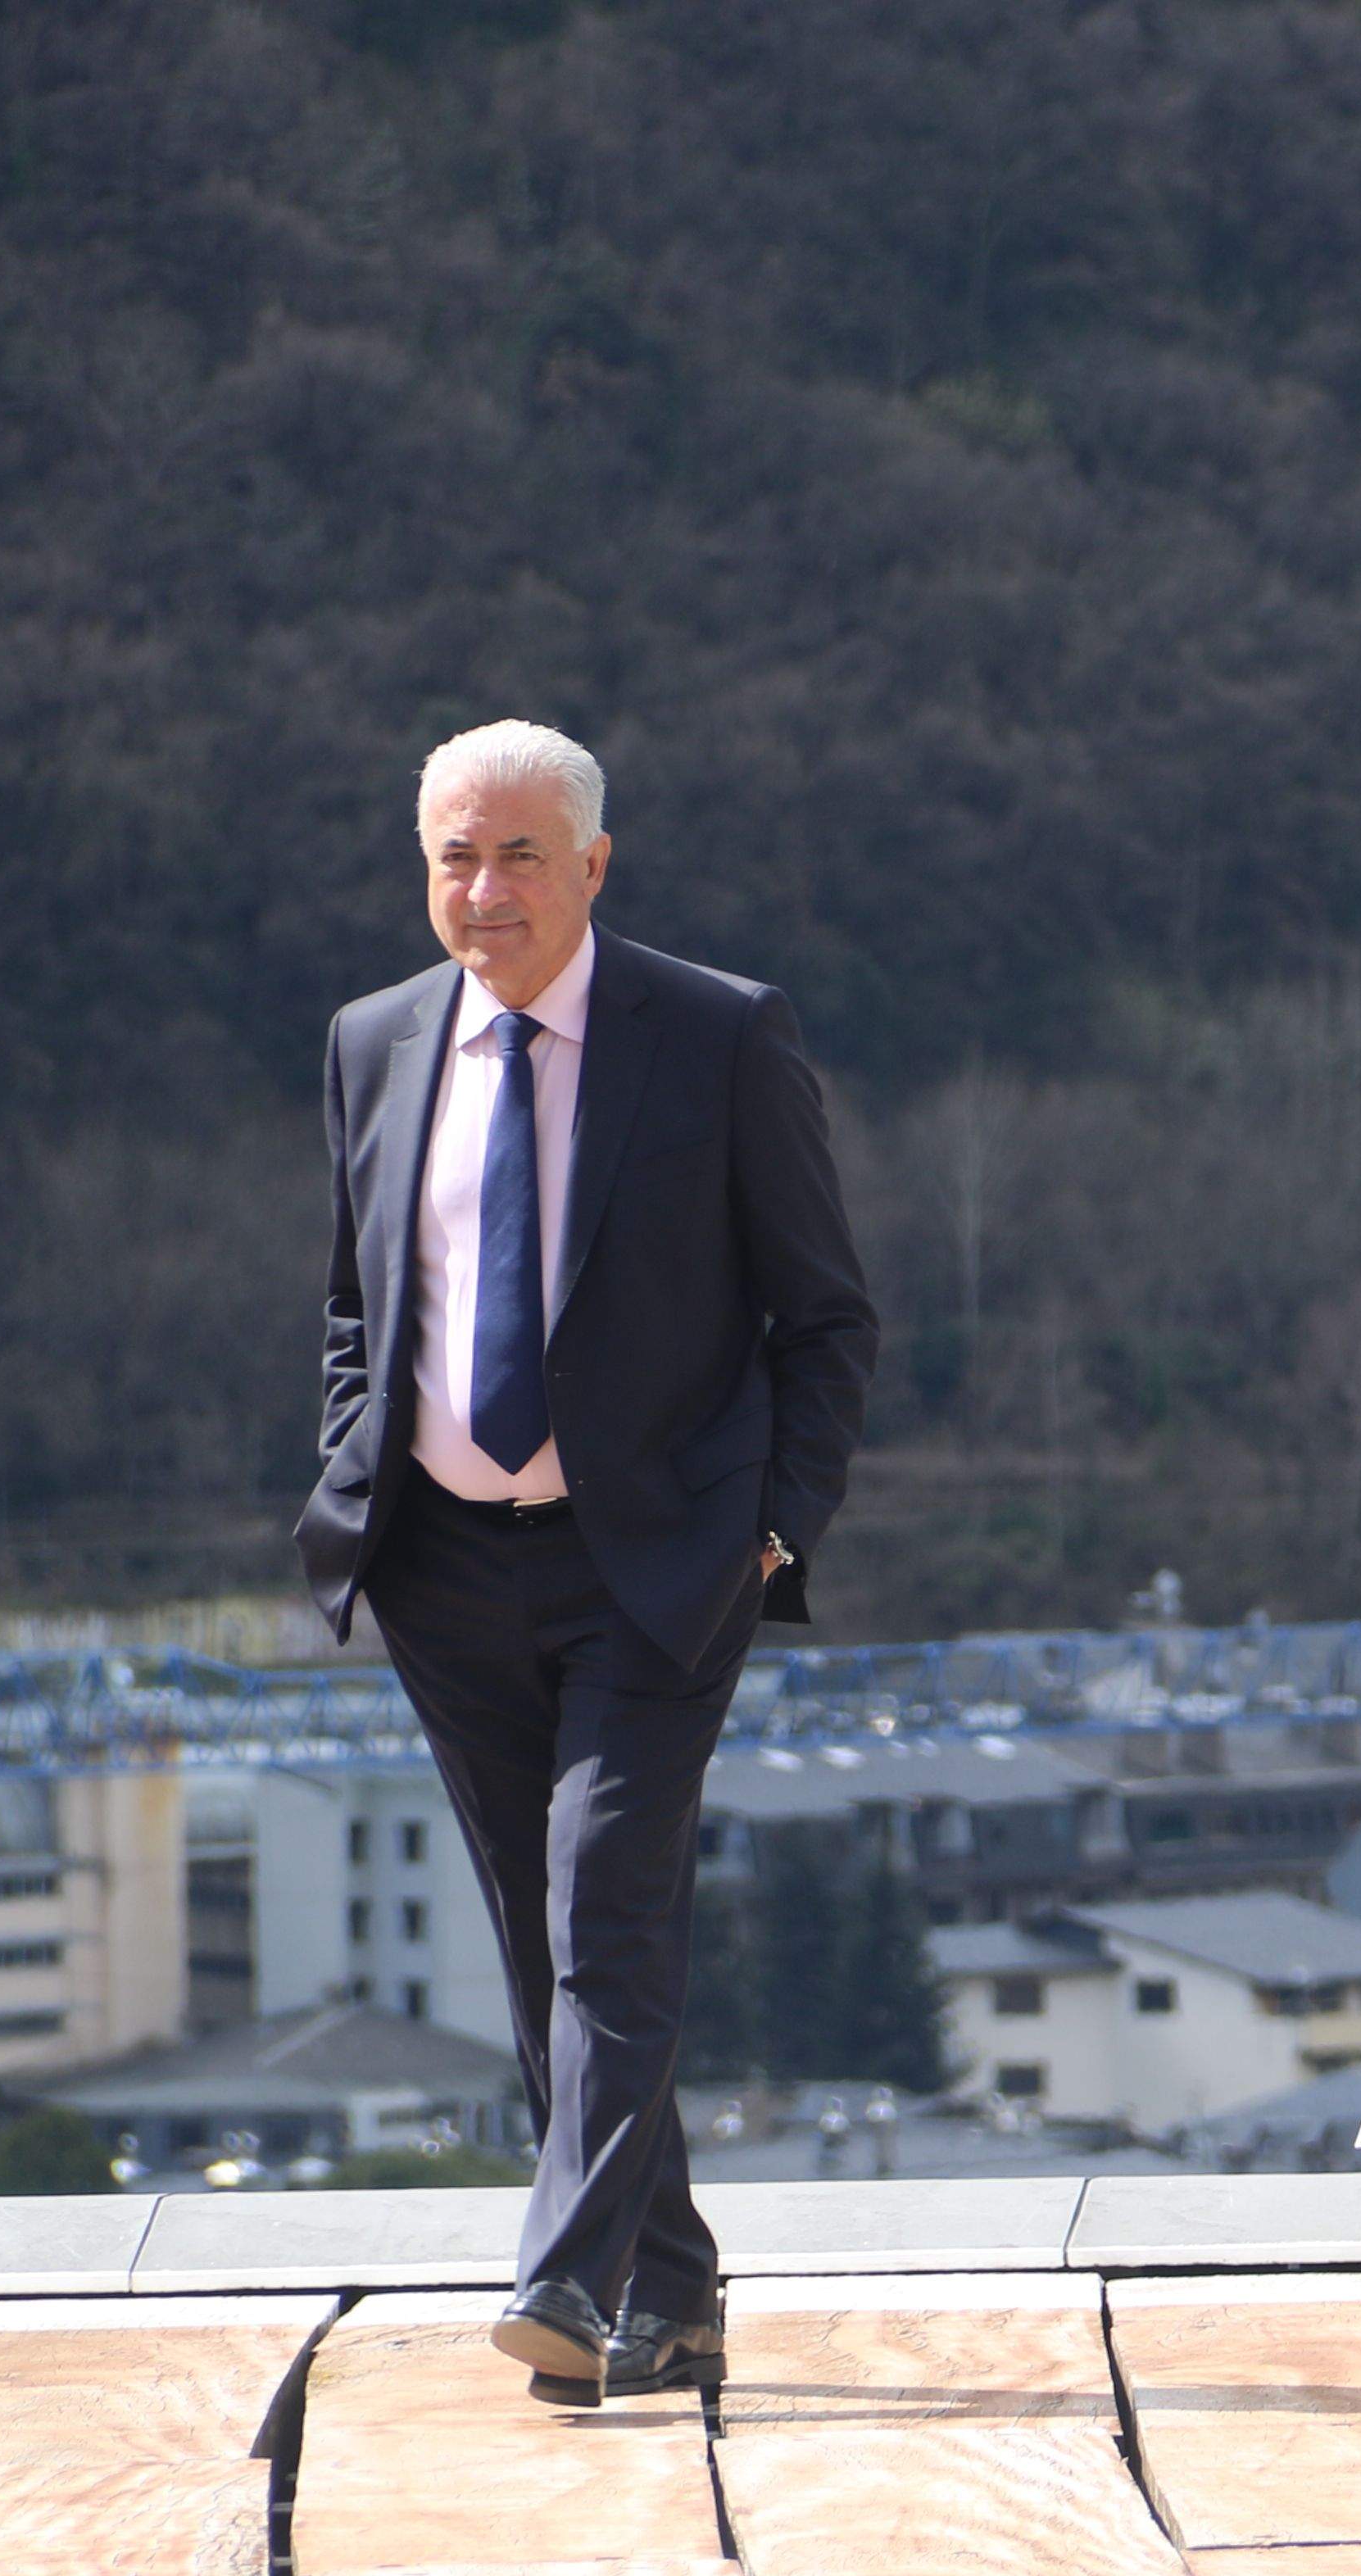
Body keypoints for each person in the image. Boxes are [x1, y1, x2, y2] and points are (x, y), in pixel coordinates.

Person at [293, 722, 877, 2402]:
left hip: (658, 1565)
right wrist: (359, 1471)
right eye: (456, 860)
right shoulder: (372, 1045)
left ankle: (565, 2275)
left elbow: (825, 1314)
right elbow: (357, 1301)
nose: (486, 894)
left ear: (597, 866)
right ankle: (675, 2287)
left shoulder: (713, 1037)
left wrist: (780, 1516)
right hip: (443, 1566)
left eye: (522, 856)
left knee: (605, 1912)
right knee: (533, 1935)